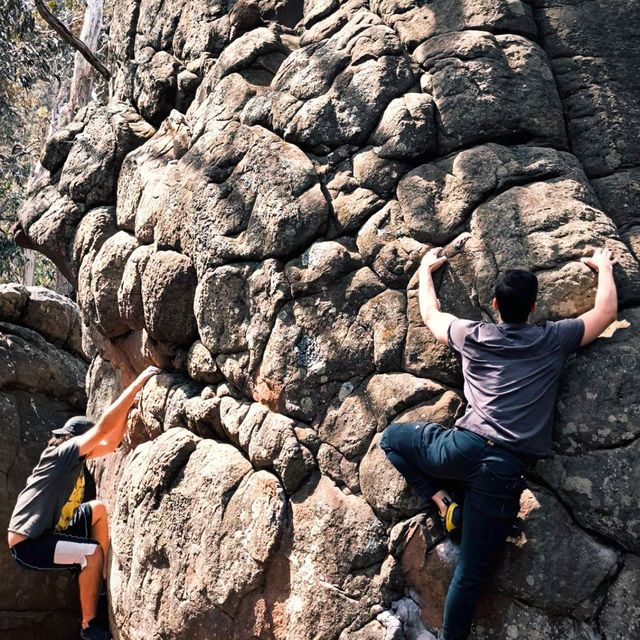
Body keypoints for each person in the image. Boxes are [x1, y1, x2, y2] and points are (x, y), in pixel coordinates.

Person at [380, 247, 618, 640]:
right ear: (533, 307)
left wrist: (425, 271)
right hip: (504, 470)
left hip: (458, 449)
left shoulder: (473, 334)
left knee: (391, 440)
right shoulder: (553, 339)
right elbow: (605, 313)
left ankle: (442, 501)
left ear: (494, 304)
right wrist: (604, 267)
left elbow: (430, 315)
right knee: (469, 574)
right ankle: (449, 508)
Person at [7, 365, 161, 640]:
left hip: (49, 533)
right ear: (77, 440)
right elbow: (103, 427)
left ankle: (97, 579)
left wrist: (127, 412)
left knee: (98, 509)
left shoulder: (72, 459)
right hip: (28, 544)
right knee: (89, 552)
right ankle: (89, 625)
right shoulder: (61, 453)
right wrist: (137, 383)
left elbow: (110, 443)